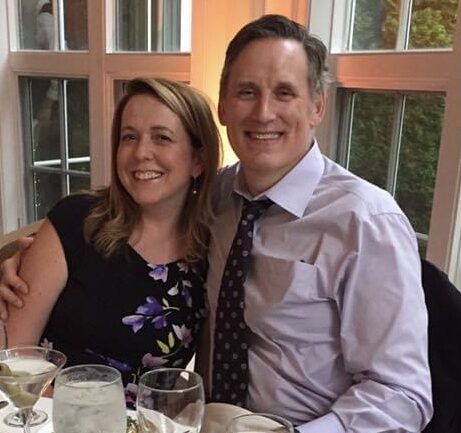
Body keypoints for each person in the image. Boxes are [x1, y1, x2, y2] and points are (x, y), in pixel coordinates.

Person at [1, 14, 432, 432]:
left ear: (317, 105)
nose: (263, 112)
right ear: (224, 105)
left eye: (284, 92)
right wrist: (23, 263)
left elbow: (402, 395)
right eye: (247, 91)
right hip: (197, 420)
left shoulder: (364, 221)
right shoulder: (214, 200)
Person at [1, 77, 221, 406]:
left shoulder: (212, 252)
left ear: (198, 160)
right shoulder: (76, 221)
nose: (140, 153)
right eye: (129, 137)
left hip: (146, 426)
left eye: (162, 137)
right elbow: (15, 362)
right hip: (49, 415)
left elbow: (196, 388)